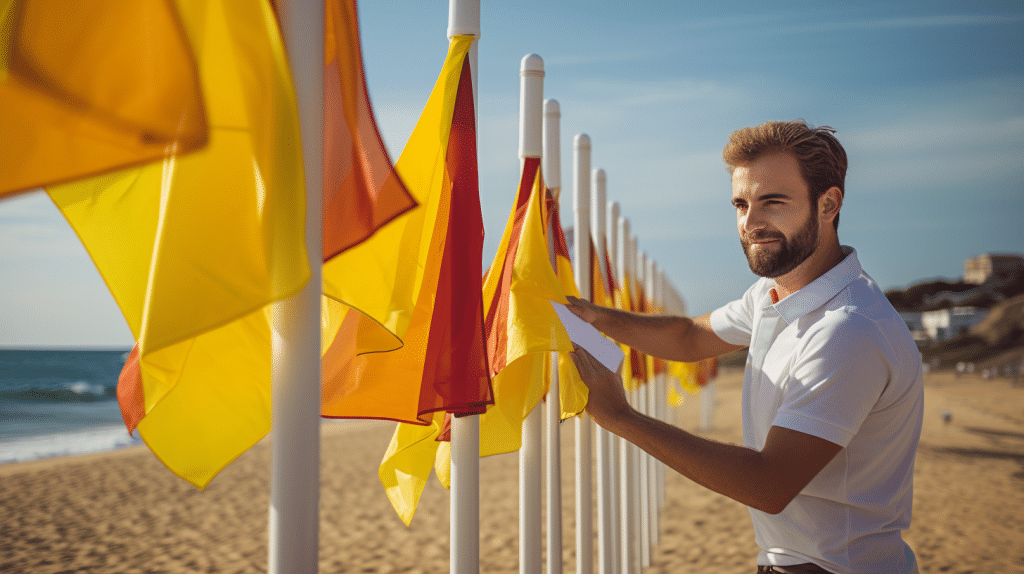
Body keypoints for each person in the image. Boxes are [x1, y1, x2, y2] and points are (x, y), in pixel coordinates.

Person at [567, 120, 924, 574]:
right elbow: (690, 336)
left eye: (772, 202)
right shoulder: (776, 293)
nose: (750, 223)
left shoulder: (847, 330)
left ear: (828, 204)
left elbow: (768, 485)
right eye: (741, 203)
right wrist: (596, 317)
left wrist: (619, 417)